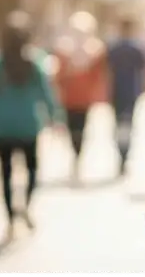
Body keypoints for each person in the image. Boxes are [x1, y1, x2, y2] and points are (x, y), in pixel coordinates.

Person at [0, 11, 66, 240]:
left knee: (5, 172)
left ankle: (10, 219)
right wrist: (56, 117)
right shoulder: (35, 62)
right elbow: (47, 94)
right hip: (28, 125)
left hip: (1, 126)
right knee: (32, 170)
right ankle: (25, 205)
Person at [54, 11, 107, 185]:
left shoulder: (95, 49)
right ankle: (74, 156)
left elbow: (97, 76)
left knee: (81, 129)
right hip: (69, 98)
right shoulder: (64, 49)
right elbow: (59, 76)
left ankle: (77, 158)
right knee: (70, 129)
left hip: (84, 99)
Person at [106, 18, 145, 177]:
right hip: (131, 91)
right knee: (127, 124)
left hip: (117, 91)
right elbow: (144, 68)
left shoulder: (114, 48)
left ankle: (121, 153)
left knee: (119, 124)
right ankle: (124, 154)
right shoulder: (136, 48)